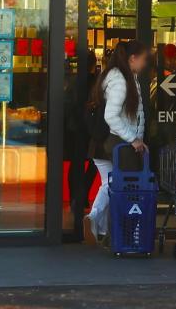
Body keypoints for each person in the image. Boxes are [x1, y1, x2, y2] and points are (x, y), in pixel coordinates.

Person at [88, 40, 150, 242]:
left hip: (103, 142)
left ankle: (101, 226)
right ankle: (110, 227)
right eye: (143, 59)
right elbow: (112, 116)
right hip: (116, 142)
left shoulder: (114, 76)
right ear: (132, 58)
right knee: (126, 188)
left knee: (110, 184)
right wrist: (134, 139)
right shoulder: (121, 80)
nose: (145, 63)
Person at [61, 53, 100, 242]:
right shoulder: (95, 81)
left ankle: (76, 199)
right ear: (93, 64)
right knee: (94, 161)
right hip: (89, 128)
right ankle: (82, 196)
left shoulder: (73, 81)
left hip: (74, 127)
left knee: (77, 163)